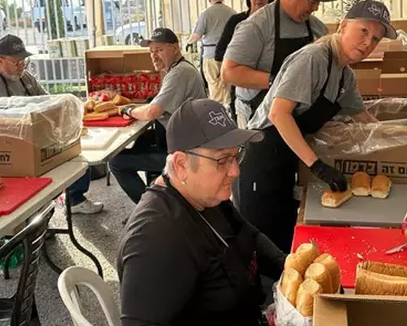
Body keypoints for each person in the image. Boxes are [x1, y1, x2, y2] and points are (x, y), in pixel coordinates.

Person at [239, 0, 396, 252]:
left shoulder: (344, 75)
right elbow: (279, 114)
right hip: (262, 158)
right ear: (343, 25)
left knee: (285, 239)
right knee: (261, 241)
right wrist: (317, 166)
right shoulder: (313, 59)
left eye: (376, 39)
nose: (368, 43)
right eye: (363, 31)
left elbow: (363, 118)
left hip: (289, 158)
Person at [117, 99, 285, 326]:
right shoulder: (155, 240)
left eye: (236, 156)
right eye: (222, 160)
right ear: (181, 164)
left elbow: (250, 235)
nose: (235, 170)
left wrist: (289, 266)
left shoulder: (208, 196)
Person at [0, 34, 103, 214]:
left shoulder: (26, 77)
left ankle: (74, 199)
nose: (21, 66)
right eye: (16, 62)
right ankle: (37, 215)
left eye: (24, 61)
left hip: (37, 135)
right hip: (10, 145)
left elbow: (48, 101)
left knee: (74, 152)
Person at [222, 0, 334, 128]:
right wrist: (279, 81)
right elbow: (229, 73)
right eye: (312, 1)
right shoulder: (257, 25)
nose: (316, 8)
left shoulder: (318, 29)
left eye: (319, 2)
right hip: (257, 118)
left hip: (298, 118)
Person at [110, 28, 207, 204]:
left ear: (175, 48)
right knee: (141, 140)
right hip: (181, 142)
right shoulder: (177, 69)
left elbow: (151, 112)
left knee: (116, 162)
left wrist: (127, 110)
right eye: (151, 51)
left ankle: (149, 209)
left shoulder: (180, 73)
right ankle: (158, 197)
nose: (154, 55)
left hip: (185, 153)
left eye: (160, 50)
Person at [214, 0, 276, 121]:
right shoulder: (237, 21)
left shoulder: (277, 23)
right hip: (243, 92)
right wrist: (240, 57)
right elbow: (219, 52)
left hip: (271, 93)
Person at [187, 0, 236, 105]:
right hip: (229, 54)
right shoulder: (232, 12)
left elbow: (197, 36)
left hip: (211, 55)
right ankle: (229, 109)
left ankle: (217, 111)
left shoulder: (205, 14)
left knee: (214, 84)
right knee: (228, 84)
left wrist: (189, 43)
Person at [0, 34, 46, 98]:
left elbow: (48, 101)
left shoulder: (27, 78)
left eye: (24, 59)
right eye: (16, 61)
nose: (22, 65)